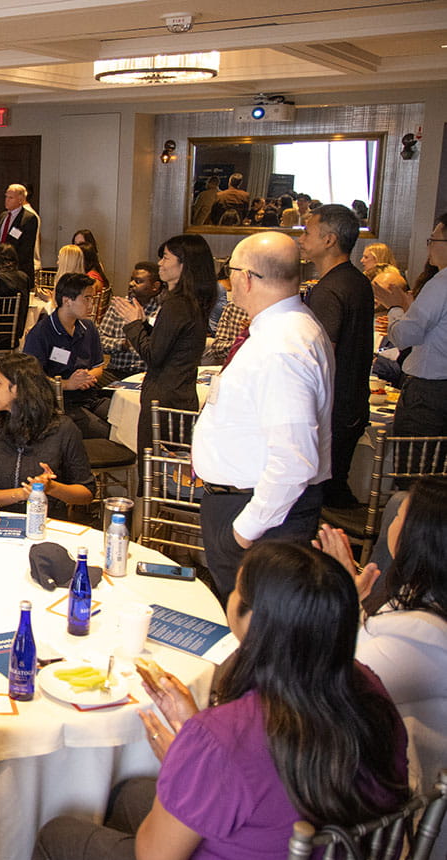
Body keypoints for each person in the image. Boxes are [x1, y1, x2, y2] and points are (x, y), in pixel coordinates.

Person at [28, 542, 410, 860]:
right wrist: (193, 751)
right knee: (127, 794)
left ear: (254, 619)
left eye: (237, 589)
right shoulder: (369, 689)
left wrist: (186, 756)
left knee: (56, 840)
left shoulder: (225, 736)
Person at [192, 231, 333, 600]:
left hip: (262, 516)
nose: (229, 281)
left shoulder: (281, 346)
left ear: (247, 278)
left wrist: (244, 531)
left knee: (258, 631)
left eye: (231, 270)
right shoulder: (287, 328)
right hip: (249, 504)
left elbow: (295, 459)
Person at [317, 477, 447, 860]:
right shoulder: (425, 602)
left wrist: (340, 593)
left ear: (419, 539)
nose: (391, 522)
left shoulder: (422, 637)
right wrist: (355, 600)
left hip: (401, 827)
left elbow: (329, 681)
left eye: (399, 516)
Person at [110, 234, 216, 450]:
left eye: (166, 258)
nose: (160, 263)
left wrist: (133, 324)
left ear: (183, 263)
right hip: (180, 394)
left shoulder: (178, 304)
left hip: (164, 397)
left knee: (155, 471)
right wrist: (142, 324)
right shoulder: (192, 301)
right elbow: (170, 342)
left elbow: (153, 356)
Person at [300, 204, 374, 508]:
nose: (301, 239)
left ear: (329, 240)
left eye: (307, 231)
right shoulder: (356, 281)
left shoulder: (330, 289)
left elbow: (321, 355)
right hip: (352, 401)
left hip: (333, 407)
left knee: (320, 494)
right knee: (334, 486)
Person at [0, 352, 95, 519]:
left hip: (46, 523)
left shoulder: (63, 429)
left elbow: (86, 494)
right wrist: (23, 493)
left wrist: (51, 487)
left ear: (18, 389)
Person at [375, 212, 447, 449]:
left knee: (413, 467)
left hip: (429, 390)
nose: (429, 247)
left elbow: (407, 335)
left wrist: (395, 307)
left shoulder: (440, 283)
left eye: (433, 240)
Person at [23, 272, 110, 439]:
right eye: (87, 299)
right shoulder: (41, 333)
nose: (92, 304)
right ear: (67, 301)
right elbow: (33, 379)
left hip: (90, 395)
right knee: (106, 433)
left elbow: (98, 366)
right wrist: (69, 384)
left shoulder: (88, 328)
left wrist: (86, 378)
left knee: (126, 419)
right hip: (59, 402)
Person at [98, 261, 163, 380]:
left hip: (146, 374)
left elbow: (161, 348)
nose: (131, 284)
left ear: (155, 287)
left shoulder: (162, 311)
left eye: (138, 281)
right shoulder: (119, 306)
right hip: (117, 371)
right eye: (132, 279)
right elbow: (100, 340)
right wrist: (123, 344)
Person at [0, 184, 38, 285]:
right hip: (0, 268)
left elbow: (26, 248)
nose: (7, 200)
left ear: (21, 200)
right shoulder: (3, 216)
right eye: (6, 196)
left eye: (11, 197)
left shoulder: (29, 218)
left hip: (18, 270)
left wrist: (9, 266)